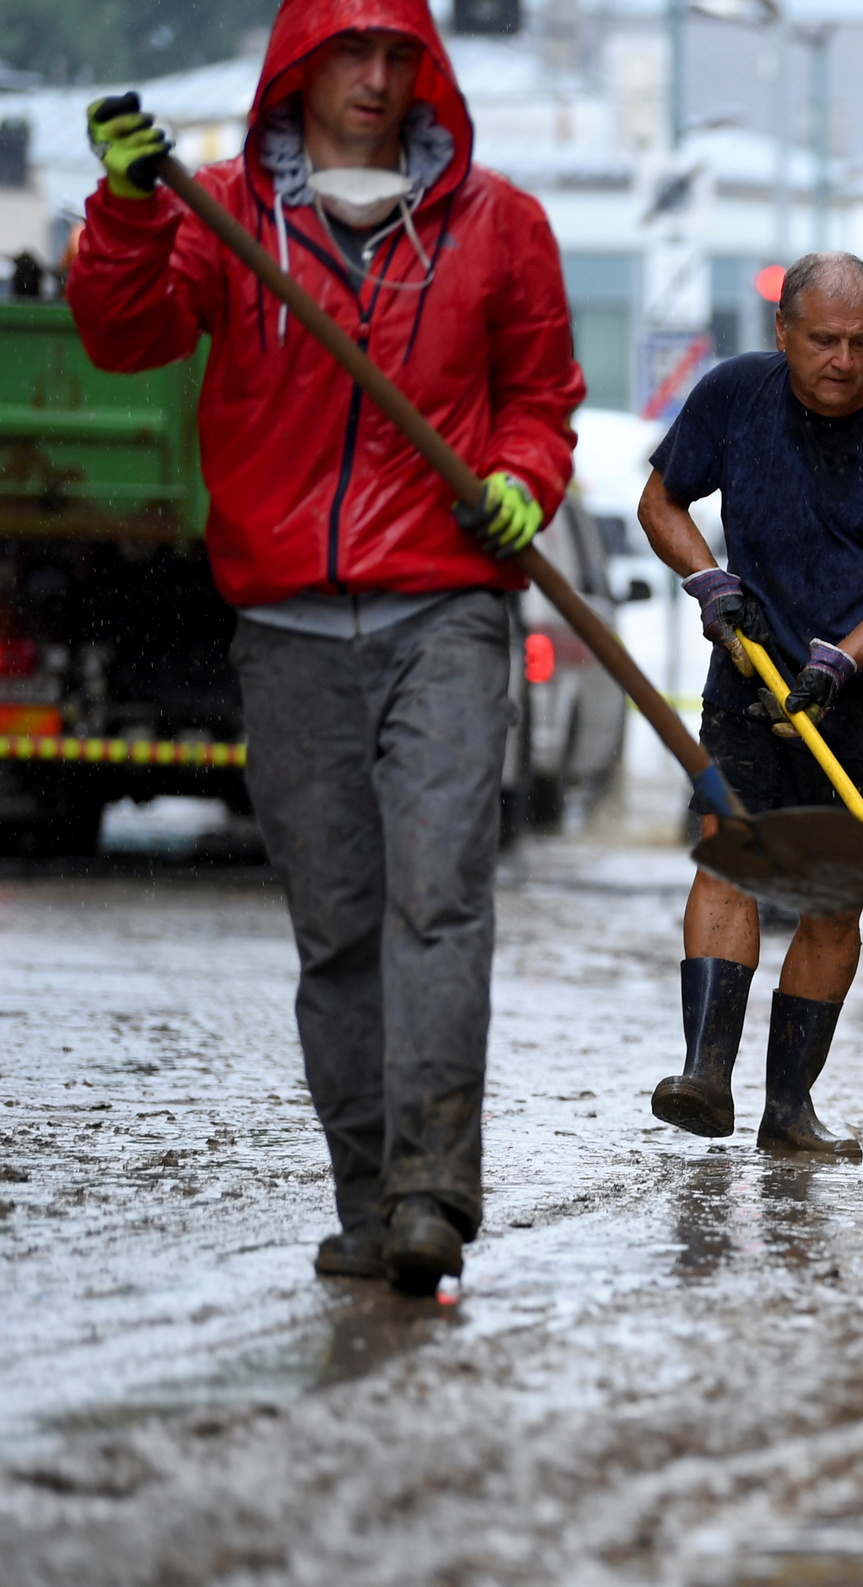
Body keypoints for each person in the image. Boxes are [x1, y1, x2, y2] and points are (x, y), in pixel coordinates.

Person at [70, 0, 582, 1293]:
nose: (373, 77)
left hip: (445, 607)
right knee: (338, 926)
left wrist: (524, 475)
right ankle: (368, 1201)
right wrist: (128, 211)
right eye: (348, 52)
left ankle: (431, 1190)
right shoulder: (221, 212)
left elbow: (539, 397)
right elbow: (121, 334)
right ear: (296, 68)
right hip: (286, 618)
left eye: (396, 54)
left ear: (427, 70)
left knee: (441, 900)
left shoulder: (499, 224)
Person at [638, 252, 863, 1161]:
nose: (843, 359)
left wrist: (842, 661)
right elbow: (661, 503)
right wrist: (707, 577)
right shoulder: (736, 396)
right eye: (823, 339)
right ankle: (705, 1075)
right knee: (730, 862)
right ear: (783, 333)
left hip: (860, 702)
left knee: (830, 903)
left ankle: (790, 1110)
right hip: (747, 677)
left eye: (861, 342)